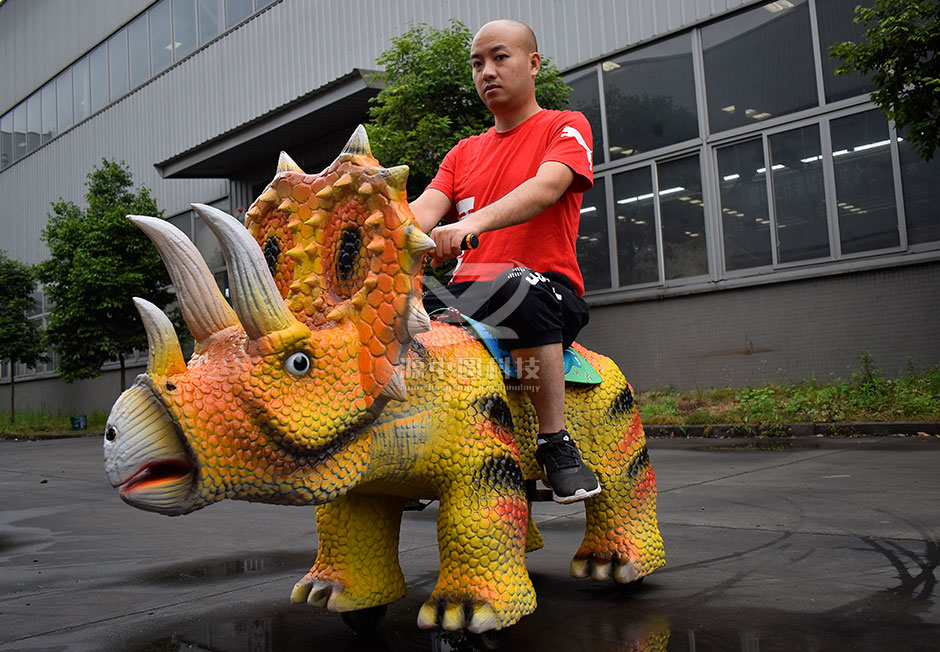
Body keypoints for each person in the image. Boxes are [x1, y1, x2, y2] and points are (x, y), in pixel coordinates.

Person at [409, 19, 600, 504]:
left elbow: (547, 187)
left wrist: (471, 225)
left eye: (499, 58)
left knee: (518, 285)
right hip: (465, 297)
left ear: (533, 64)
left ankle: (555, 442)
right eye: (477, 64)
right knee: (390, 315)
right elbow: (417, 216)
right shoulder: (462, 153)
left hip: (545, 292)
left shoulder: (565, 125)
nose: (486, 72)